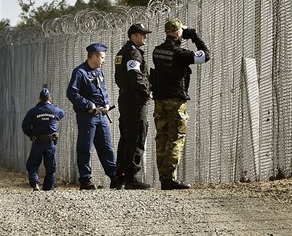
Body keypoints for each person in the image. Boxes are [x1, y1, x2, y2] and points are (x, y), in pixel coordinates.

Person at [151, 19, 209, 190]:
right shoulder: (180, 54)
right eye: (181, 32)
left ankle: (164, 177)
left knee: (161, 138)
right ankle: (169, 178)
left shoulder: (157, 51)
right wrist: (195, 37)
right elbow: (205, 55)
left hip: (159, 100)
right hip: (175, 101)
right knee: (176, 138)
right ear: (177, 33)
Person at [66, 42, 120, 190]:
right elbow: (71, 93)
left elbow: (103, 91)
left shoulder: (98, 72)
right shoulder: (80, 72)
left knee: (106, 147)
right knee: (85, 147)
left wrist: (107, 104)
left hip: (102, 115)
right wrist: (88, 105)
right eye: (102, 57)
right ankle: (85, 179)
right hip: (87, 116)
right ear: (94, 56)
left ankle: (114, 176)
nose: (104, 60)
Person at [113, 23, 152, 190]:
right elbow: (134, 75)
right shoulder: (133, 53)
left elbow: (119, 77)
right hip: (134, 99)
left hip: (125, 97)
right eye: (141, 34)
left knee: (126, 137)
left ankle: (120, 176)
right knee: (137, 135)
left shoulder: (122, 52)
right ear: (133, 36)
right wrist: (145, 91)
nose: (144, 37)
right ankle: (132, 177)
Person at [21, 87, 65, 191]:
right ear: (49, 98)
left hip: (38, 142)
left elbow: (25, 126)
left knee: (32, 164)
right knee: (51, 167)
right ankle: (48, 189)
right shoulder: (55, 110)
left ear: (39, 99)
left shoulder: (33, 111)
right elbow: (62, 113)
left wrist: (32, 135)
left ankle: (35, 182)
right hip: (51, 143)